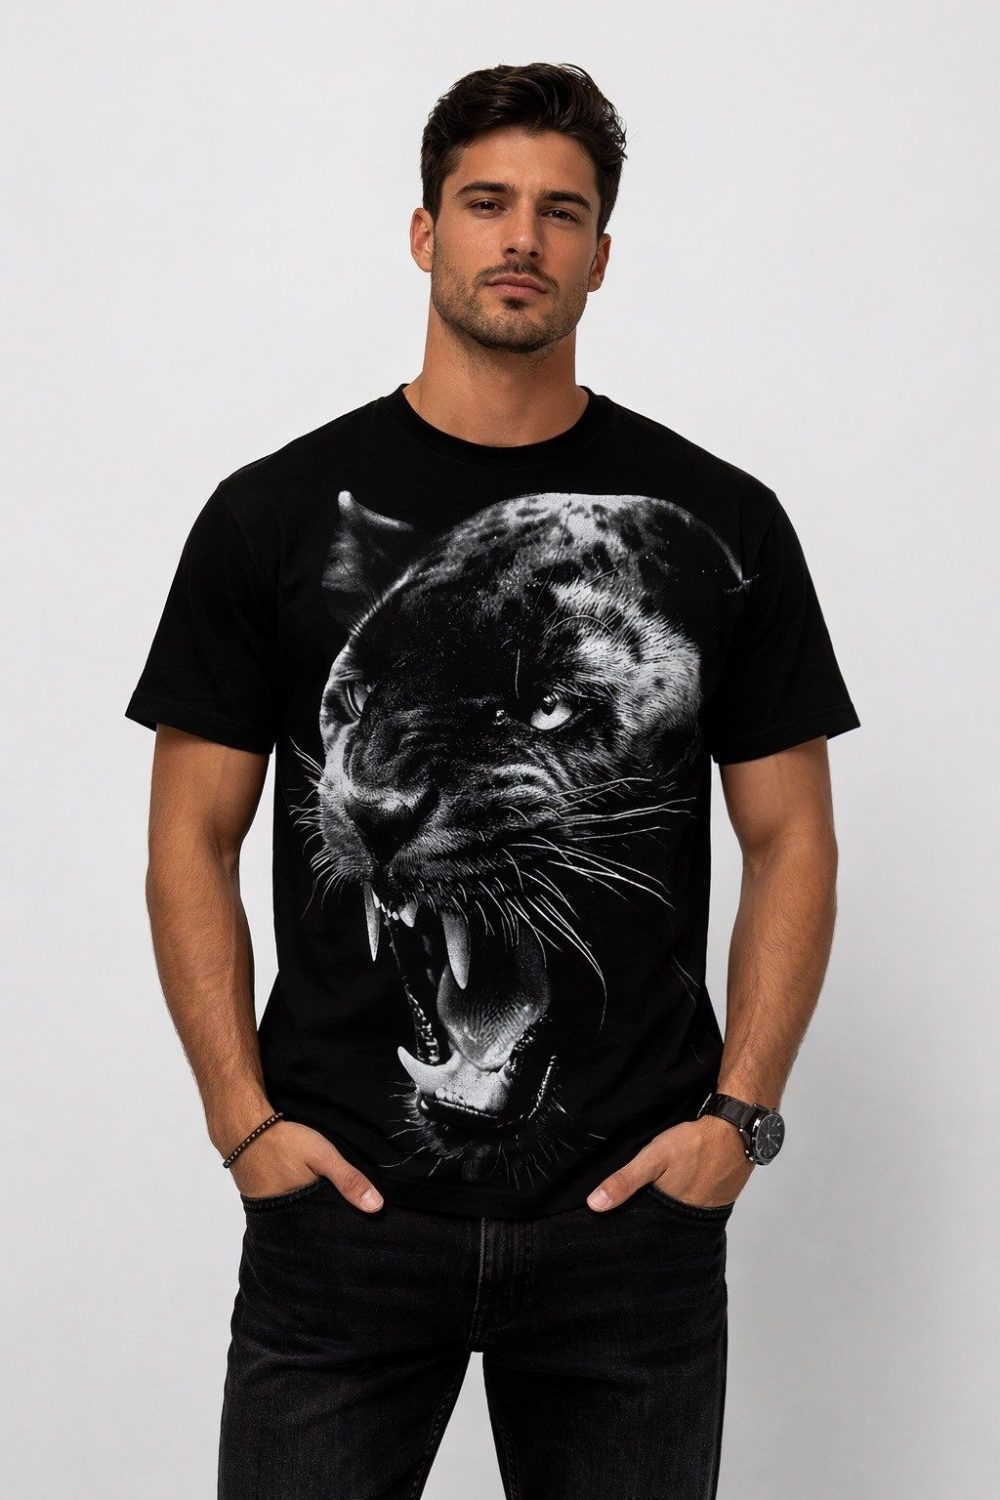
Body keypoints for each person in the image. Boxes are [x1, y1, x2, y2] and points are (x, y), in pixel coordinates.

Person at [125, 60, 860, 1500]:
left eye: (559, 211)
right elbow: (189, 839)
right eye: (485, 203)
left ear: (600, 254)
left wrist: (738, 1121)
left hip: (630, 1225)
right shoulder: (271, 514)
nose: (521, 238)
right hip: (339, 1217)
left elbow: (793, 838)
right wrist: (241, 1120)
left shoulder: (720, 526)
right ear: (425, 233)